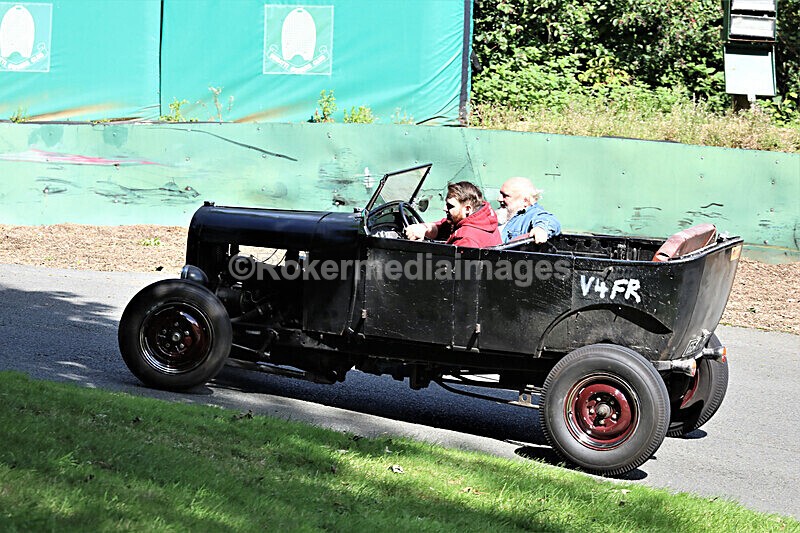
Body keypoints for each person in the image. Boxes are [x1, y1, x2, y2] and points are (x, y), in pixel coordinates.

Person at [405, 181, 501, 248]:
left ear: (467, 209)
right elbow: (444, 227)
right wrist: (423, 229)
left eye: (450, 206)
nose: (444, 209)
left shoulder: (467, 241)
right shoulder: (482, 219)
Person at [497, 177, 560, 243]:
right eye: (500, 194)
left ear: (525, 200)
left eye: (505, 196)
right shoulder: (506, 214)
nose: (499, 199)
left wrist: (540, 229)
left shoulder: (533, 215)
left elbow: (549, 220)